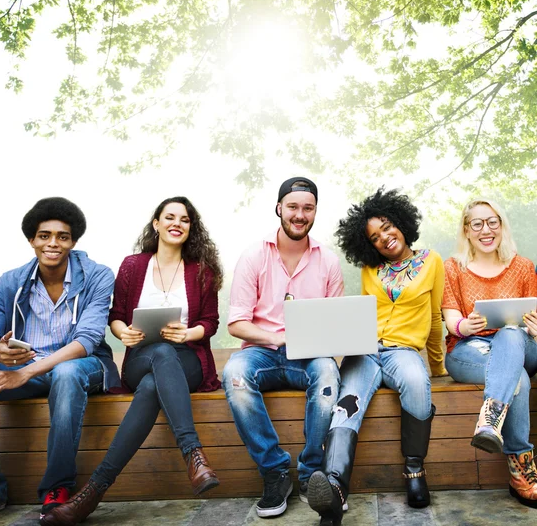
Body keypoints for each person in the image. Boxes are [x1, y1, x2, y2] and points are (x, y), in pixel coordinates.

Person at [41, 196, 223, 526]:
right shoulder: (133, 265)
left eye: (184, 219)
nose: (176, 223)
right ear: (156, 224)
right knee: (157, 359)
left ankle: (91, 494)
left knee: (160, 372)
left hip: (188, 360)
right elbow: (117, 316)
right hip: (140, 357)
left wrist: (189, 333)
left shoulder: (201, 270)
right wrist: (123, 333)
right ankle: (193, 455)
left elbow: (211, 321)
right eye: (169, 217)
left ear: (190, 228)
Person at [0, 198, 119, 526]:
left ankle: (57, 489)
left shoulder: (98, 275)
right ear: (31, 240)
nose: (53, 243)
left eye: (62, 236)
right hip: (26, 369)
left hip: (84, 366)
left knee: (64, 372)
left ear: (74, 241)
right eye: (44, 235)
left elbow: (87, 341)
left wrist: (24, 372)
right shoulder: (11, 280)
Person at [308, 187, 446, 526]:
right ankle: (335, 486)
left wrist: (438, 364)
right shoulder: (371, 270)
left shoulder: (432, 261)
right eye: (374, 237)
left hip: (403, 351)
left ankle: (414, 470)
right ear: (368, 245)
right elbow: (363, 314)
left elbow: (433, 318)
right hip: (367, 352)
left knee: (416, 381)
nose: (384, 238)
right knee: (347, 402)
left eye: (387, 227)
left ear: (400, 223)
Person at [222, 177, 344, 519]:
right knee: (234, 373)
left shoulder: (329, 262)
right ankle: (275, 472)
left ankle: (311, 474)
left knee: (327, 372)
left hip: (307, 356)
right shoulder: (253, 256)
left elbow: (334, 323)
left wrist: (326, 340)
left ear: (315, 212)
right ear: (279, 208)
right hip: (261, 351)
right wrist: (277, 338)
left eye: (307, 208)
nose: (299, 214)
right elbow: (236, 324)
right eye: (292, 207)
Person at [442, 198, 537, 508]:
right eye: (478, 224)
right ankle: (522, 471)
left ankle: (490, 420)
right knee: (516, 376)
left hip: (522, 345)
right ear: (467, 231)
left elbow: (532, 315)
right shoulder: (453, 267)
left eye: (493, 221)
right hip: (469, 350)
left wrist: (535, 327)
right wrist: (465, 327)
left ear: (502, 225)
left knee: (511, 332)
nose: (486, 230)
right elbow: (451, 317)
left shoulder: (522, 266)